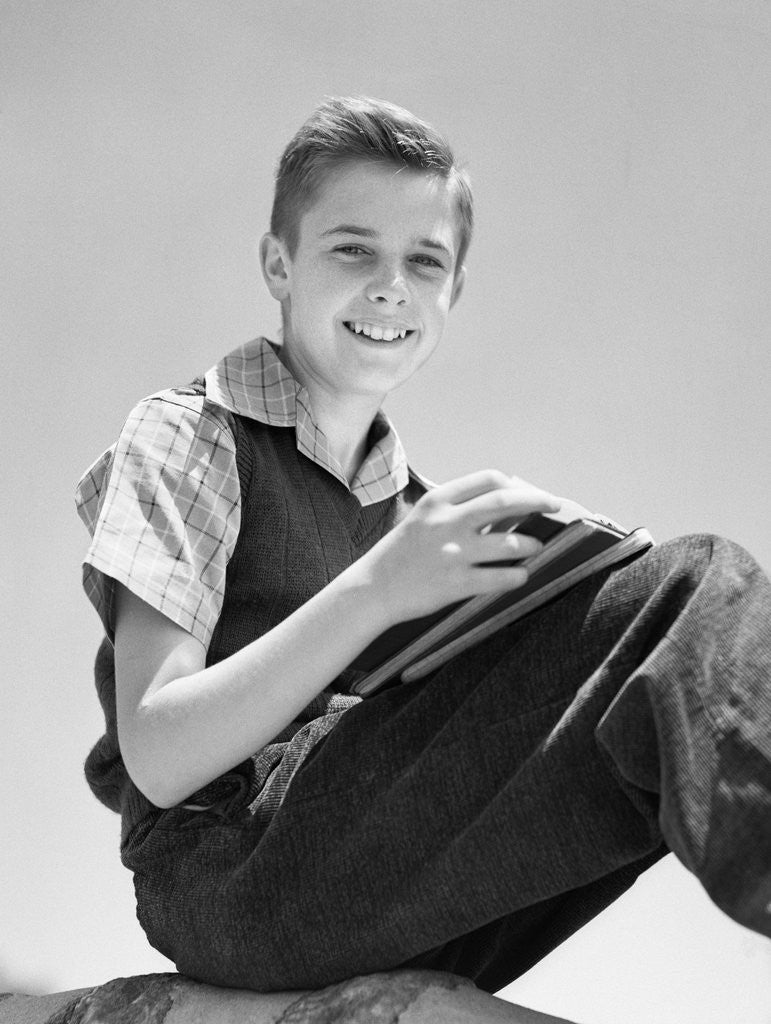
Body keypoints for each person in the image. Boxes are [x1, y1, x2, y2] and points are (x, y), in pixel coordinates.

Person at [76, 95, 771, 997]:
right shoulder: (193, 437)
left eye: (424, 260)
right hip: (230, 874)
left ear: (453, 290)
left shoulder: (417, 511)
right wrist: (378, 587)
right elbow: (159, 755)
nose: (390, 286)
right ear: (277, 264)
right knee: (692, 588)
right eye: (353, 249)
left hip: (390, 882)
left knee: (651, 684)